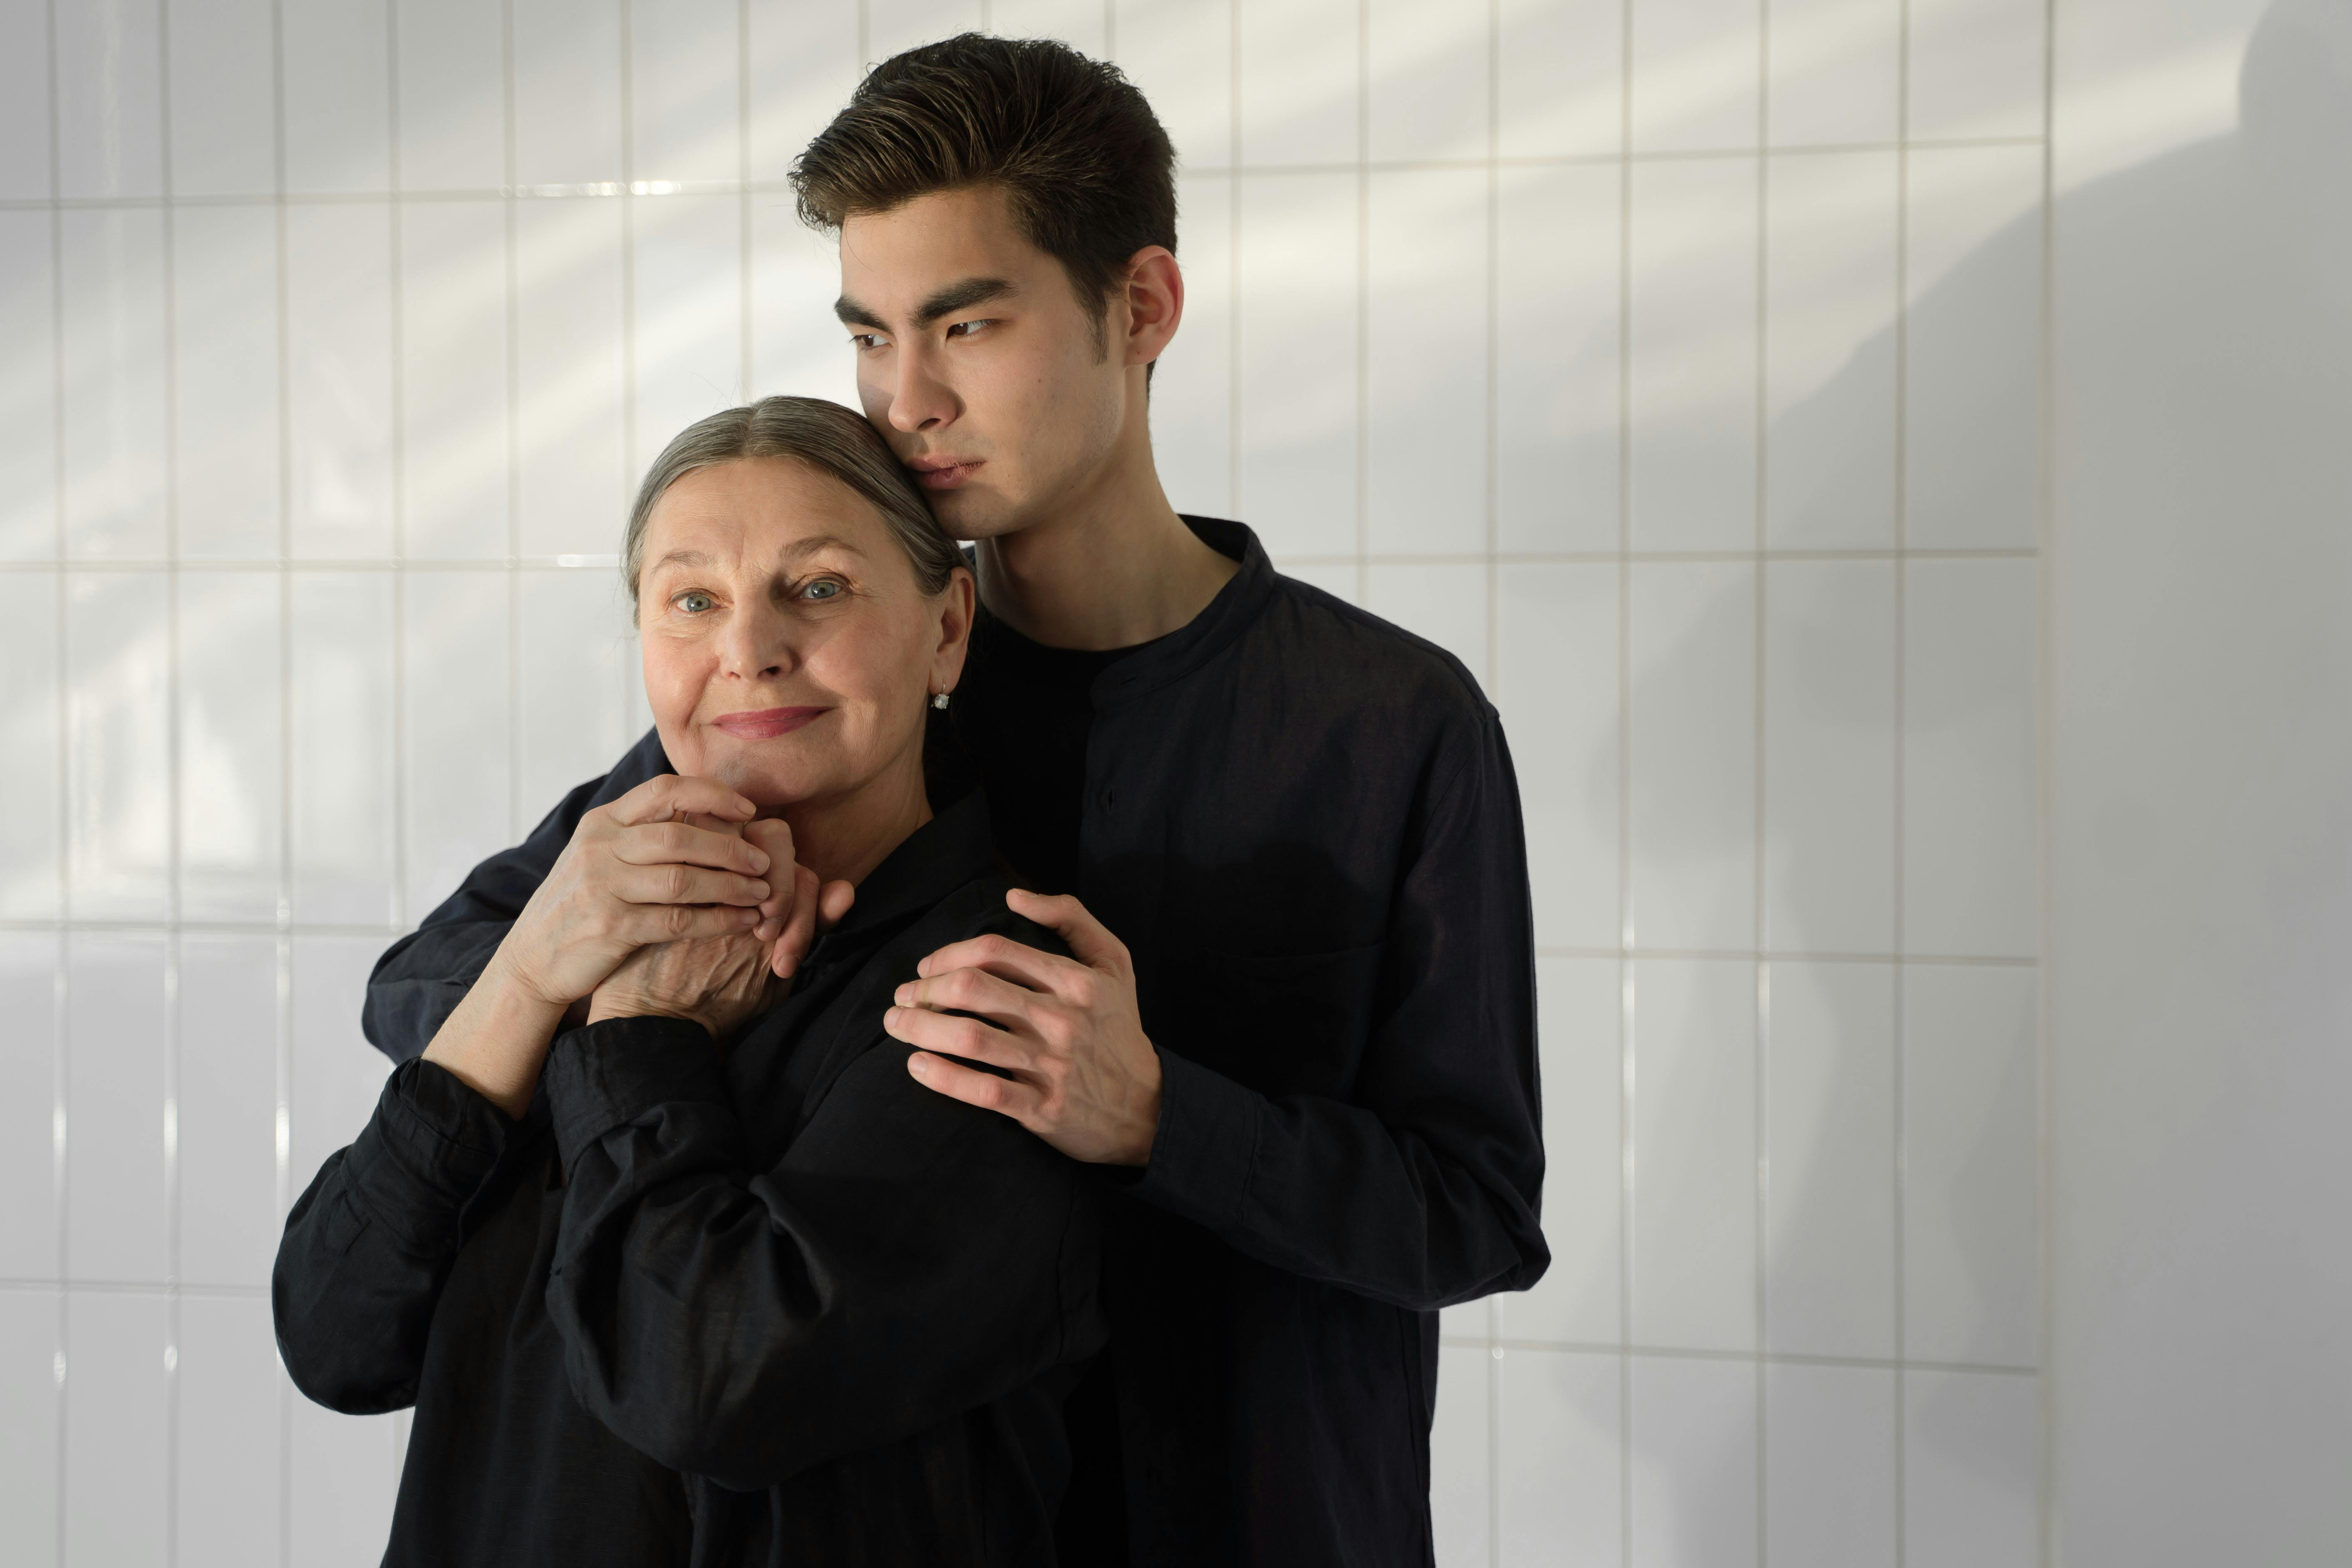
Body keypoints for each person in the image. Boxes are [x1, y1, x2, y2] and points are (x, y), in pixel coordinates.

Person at [363, 35, 1548, 1568]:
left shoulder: (1392, 725)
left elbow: (1474, 1215)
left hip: (1255, 1514)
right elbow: (425, 985)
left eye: (965, 326)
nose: (904, 401)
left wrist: (1164, 1117)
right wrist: (645, 972)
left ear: (1143, 309)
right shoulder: (833, 685)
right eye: (869, 336)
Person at [276, 396, 1105, 1567]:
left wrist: (645, 1032)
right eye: (693, 599)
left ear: (949, 628)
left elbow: (705, 1385)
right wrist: (530, 975)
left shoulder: (1000, 1003)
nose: (748, 648)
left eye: (818, 588)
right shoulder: (581, 916)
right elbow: (335, 1339)